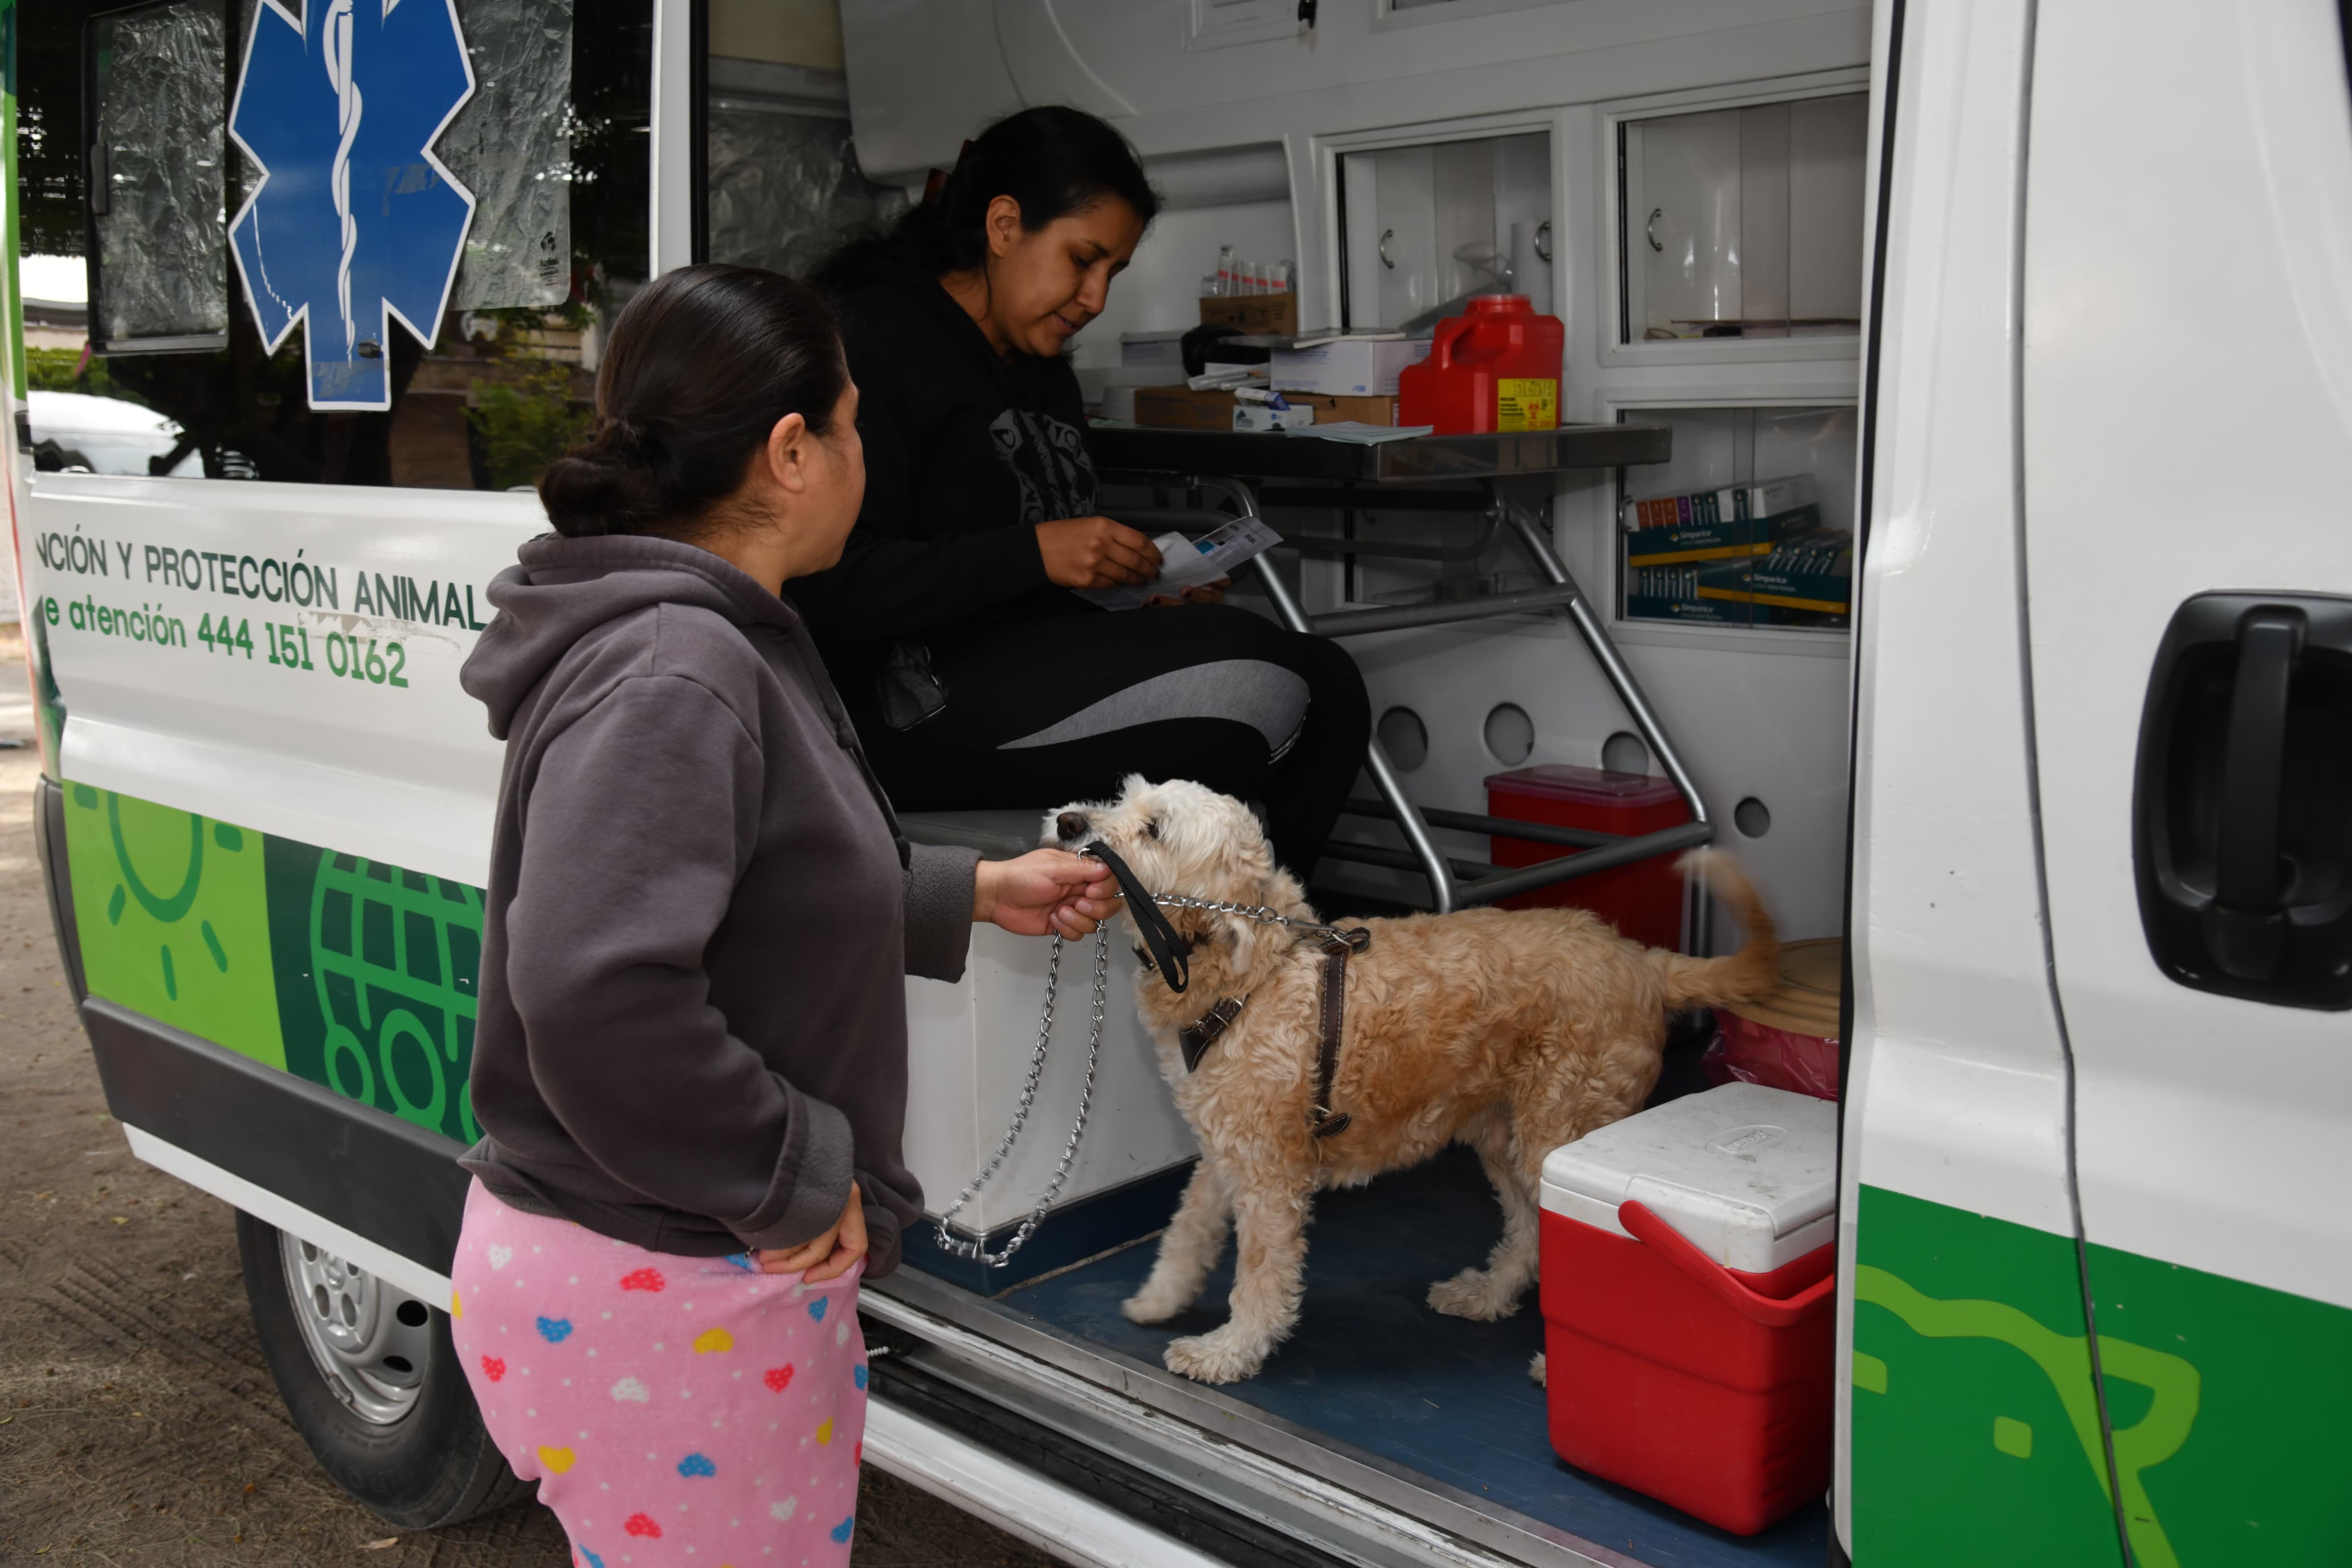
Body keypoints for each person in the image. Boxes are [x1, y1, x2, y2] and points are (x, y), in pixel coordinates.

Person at [445, 264, 1120, 1565]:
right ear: (792, 450)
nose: (868, 452)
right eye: (856, 423)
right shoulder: (677, 666)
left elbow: (750, 879)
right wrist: (791, 1171)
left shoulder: (707, 636)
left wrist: (962, 892)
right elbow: (599, 991)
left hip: (666, 1262)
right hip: (668, 1276)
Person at [796, 105, 1370, 876]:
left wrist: (1131, 600)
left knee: (1329, 681)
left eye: (1113, 273)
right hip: (905, 700)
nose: (1095, 297)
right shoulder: (873, 342)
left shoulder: (1044, 372)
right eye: (1082, 260)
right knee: (1255, 676)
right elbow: (827, 586)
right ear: (1004, 226)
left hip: (1020, 661)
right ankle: (1241, 962)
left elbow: (1032, 570)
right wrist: (1034, 555)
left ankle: (1271, 968)